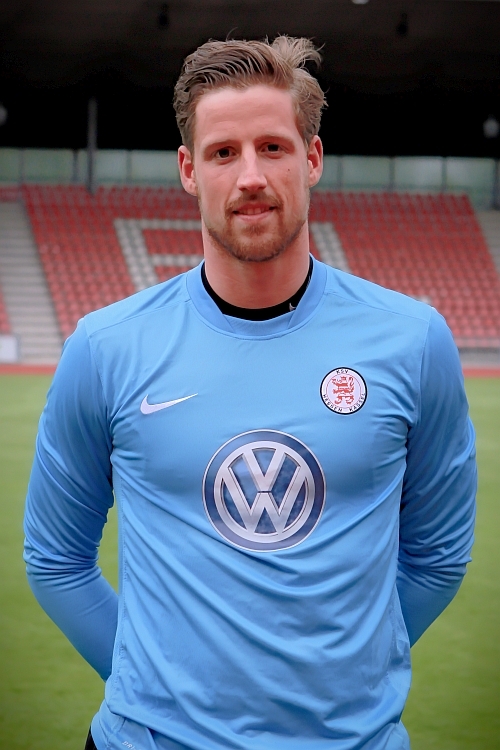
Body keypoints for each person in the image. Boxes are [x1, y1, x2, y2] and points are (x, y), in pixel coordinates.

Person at [24, 36, 476, 750]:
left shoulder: (413, 341)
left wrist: (343, 678)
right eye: (223, 153)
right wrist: (159, 690)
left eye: (272, 147)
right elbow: (56, 559)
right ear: (189, 170)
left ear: (312, 159)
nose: (251, 177)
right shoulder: (105, 347)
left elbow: (438, 556)